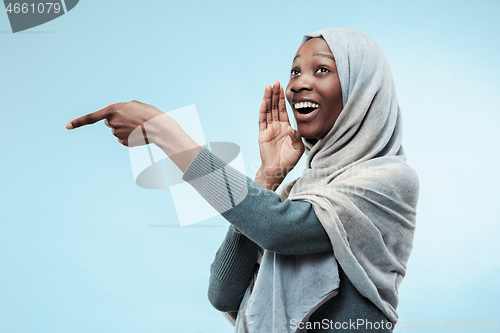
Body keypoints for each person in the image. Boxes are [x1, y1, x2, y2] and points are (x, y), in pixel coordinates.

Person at [66, 28, 419, 333]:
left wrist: (167, 134)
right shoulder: (302, 192)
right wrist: (268, 177)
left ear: (363, 90)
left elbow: (280, 230)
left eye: (322, 69)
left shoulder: (389, 178)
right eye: (295, 71)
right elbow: (222, 293)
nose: (299, 83)